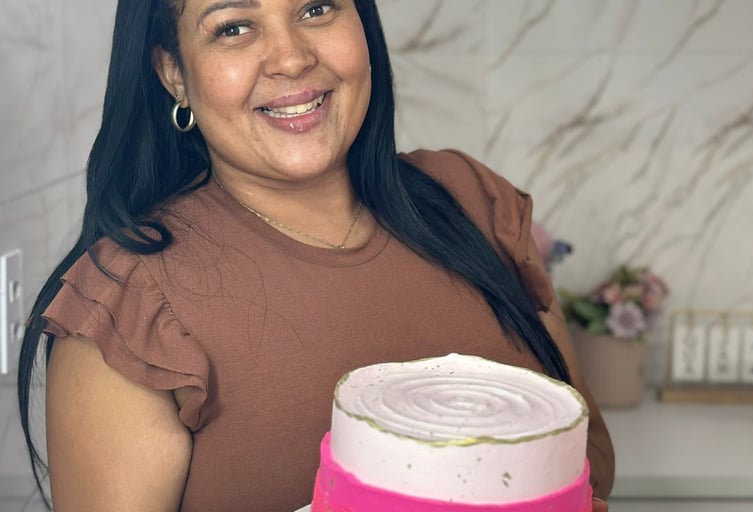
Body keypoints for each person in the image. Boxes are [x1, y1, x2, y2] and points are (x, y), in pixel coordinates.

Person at [17, 0, 614, 510]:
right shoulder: (130, 303)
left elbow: (586, 467)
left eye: (317, 7)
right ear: (173, 71)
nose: (291, 57)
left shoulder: (475, 203)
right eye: (233, 27)